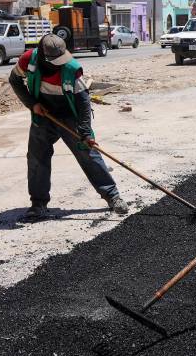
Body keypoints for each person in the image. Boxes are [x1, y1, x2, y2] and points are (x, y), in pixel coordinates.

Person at [8, 34, 129, 221]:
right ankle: (38, 203)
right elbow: (15, 80)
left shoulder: (72, 69)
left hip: (70, 115)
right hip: (44, 115)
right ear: (43, 57)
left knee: (88, 154)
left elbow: (83, 102)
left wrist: (85, 131)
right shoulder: (27, 60)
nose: (60, 63)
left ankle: (112, 196)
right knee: (36, 157)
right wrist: (32, 104)